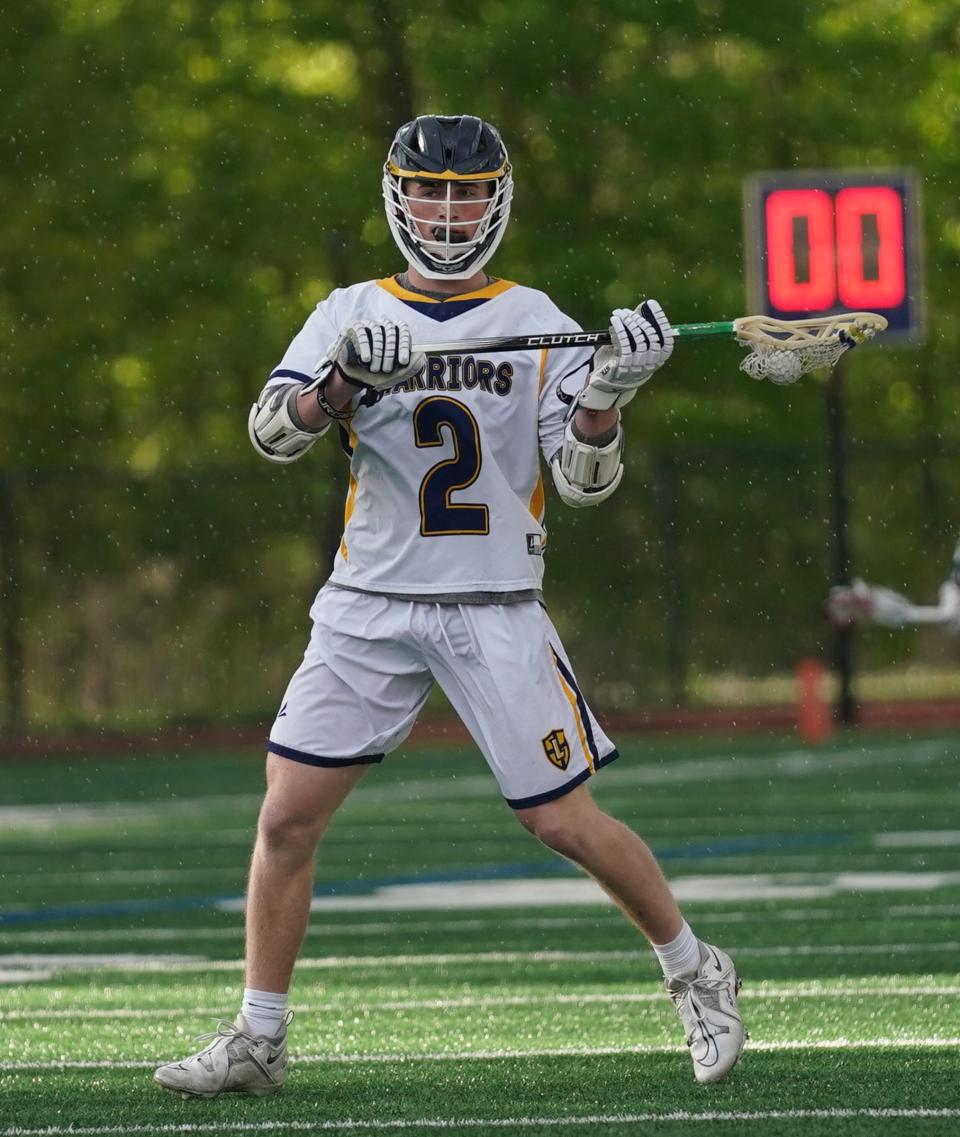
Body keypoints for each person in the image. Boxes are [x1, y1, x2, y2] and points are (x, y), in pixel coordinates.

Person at [154, 114, 745, 1099]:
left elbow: (585, 479)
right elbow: (272, 431)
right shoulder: (348, 306)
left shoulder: (535, 314)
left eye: (465, 192)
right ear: (397, 195)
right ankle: (259, 1036)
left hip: (494, 600)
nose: (446, 208)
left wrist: (610, 393)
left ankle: (696, 968)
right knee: (288, 815)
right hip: (370, 601)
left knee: (561, 820)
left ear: (496, 201)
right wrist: (343, 380)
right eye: (428, 189)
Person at [827, 534, 960, 633]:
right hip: (952, 590)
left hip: (882, 604)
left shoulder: (859, 595)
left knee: (933, 616)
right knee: (927, 616)